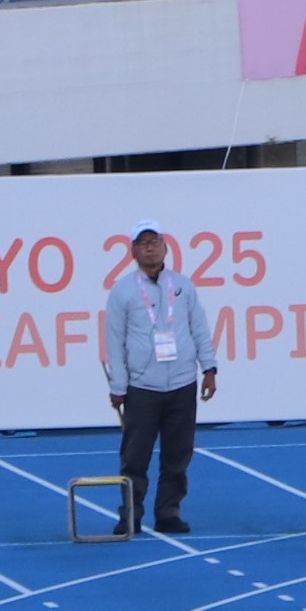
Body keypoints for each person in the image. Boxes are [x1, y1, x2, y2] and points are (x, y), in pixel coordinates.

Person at [105, 221, 218, 535]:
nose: (149, 248)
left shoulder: (183, 285)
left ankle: (169, 512)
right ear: (133, 252)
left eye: (154, 241)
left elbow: (199, 328)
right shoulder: (124, 291)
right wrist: (119, 386)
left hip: (182, 382)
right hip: (142, 387)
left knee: (178, 454)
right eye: (142, 243)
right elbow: (114, 341)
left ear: (165, 246)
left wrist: (209, 368)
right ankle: (130, 514)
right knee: (134, 457)